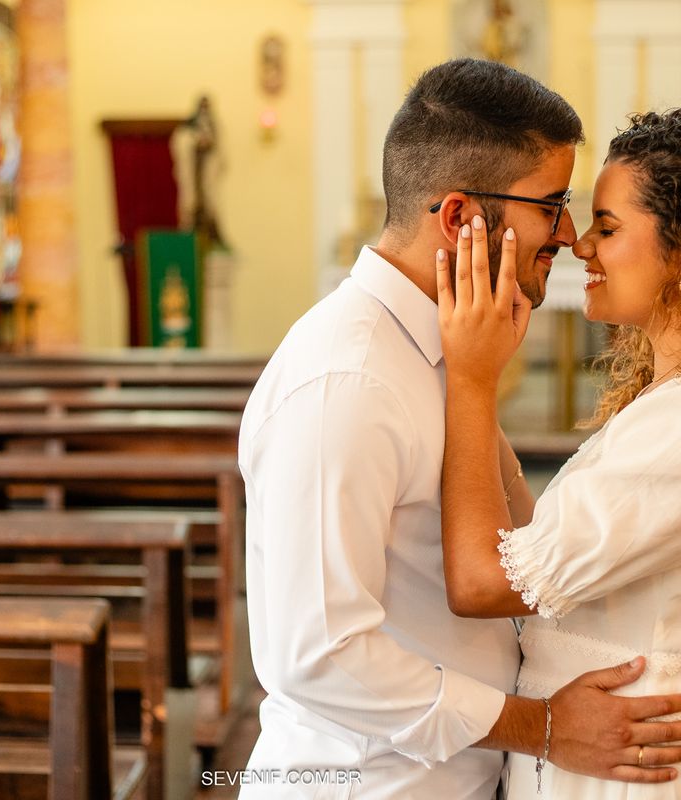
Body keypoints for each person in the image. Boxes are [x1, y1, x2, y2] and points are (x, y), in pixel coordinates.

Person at [238, 59, 681, 799]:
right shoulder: (346, 380)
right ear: (458, 218)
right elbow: (314, 652)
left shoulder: (449, 349)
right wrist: (536, 726)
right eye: (553, 203)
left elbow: (534, 557)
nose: (569, 236)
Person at [436, 107, 681, 798]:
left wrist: (472, 382)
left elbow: (484, 583)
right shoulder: (662, 406)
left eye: (607, 227)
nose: (580, 246)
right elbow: (540, 543)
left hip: (630, 765)